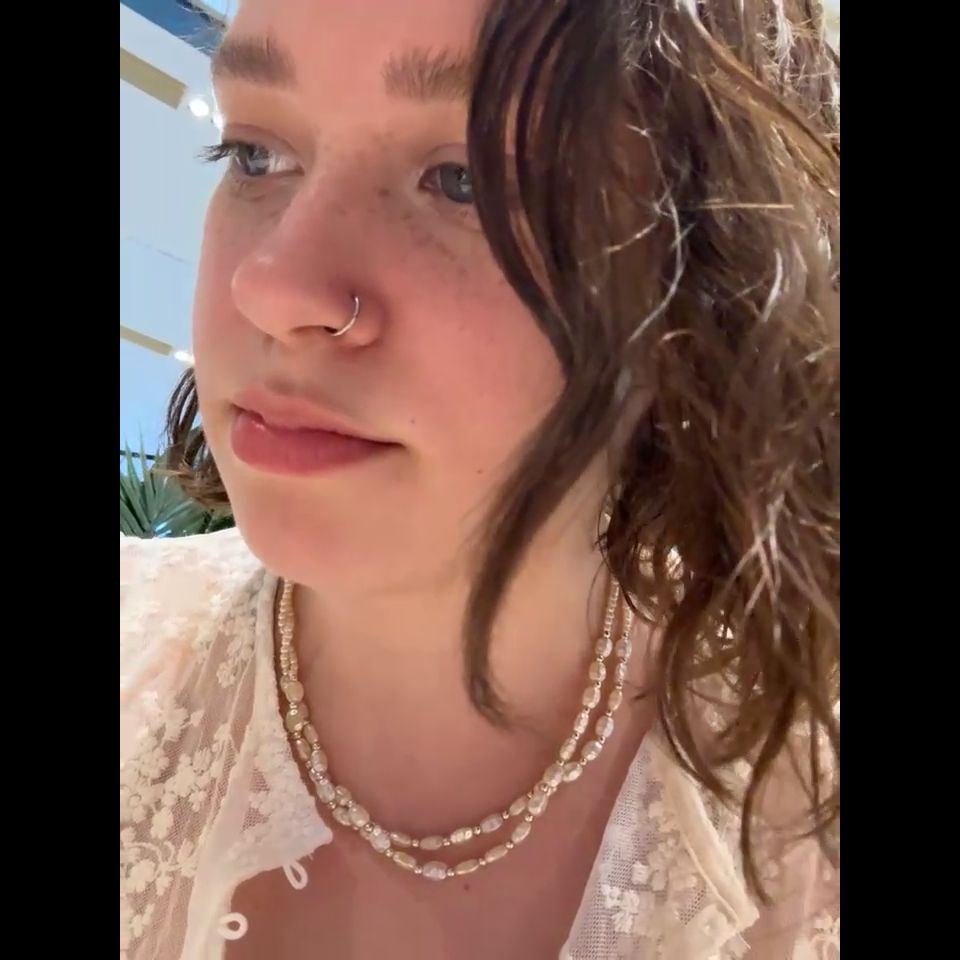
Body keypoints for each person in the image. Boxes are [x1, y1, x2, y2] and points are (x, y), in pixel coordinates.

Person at [119, 0, 840, 957]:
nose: (274, 285)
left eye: (464, 182)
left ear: (701, 279)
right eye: (255, 153)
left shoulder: (804, 811)